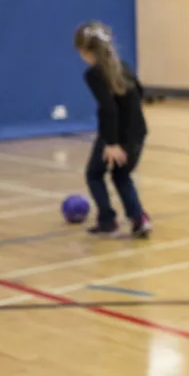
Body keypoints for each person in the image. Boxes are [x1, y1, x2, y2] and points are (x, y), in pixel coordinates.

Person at [74, 22, 152, 238]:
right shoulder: (124, 67)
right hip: (138, 131)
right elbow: (140, 93)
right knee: (121, 175)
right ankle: (139, 220)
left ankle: (108, 221)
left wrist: (112, 143)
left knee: (94, 174)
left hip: (117, 134)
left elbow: (108, 109)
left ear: (86, 51)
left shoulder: (94, 74)